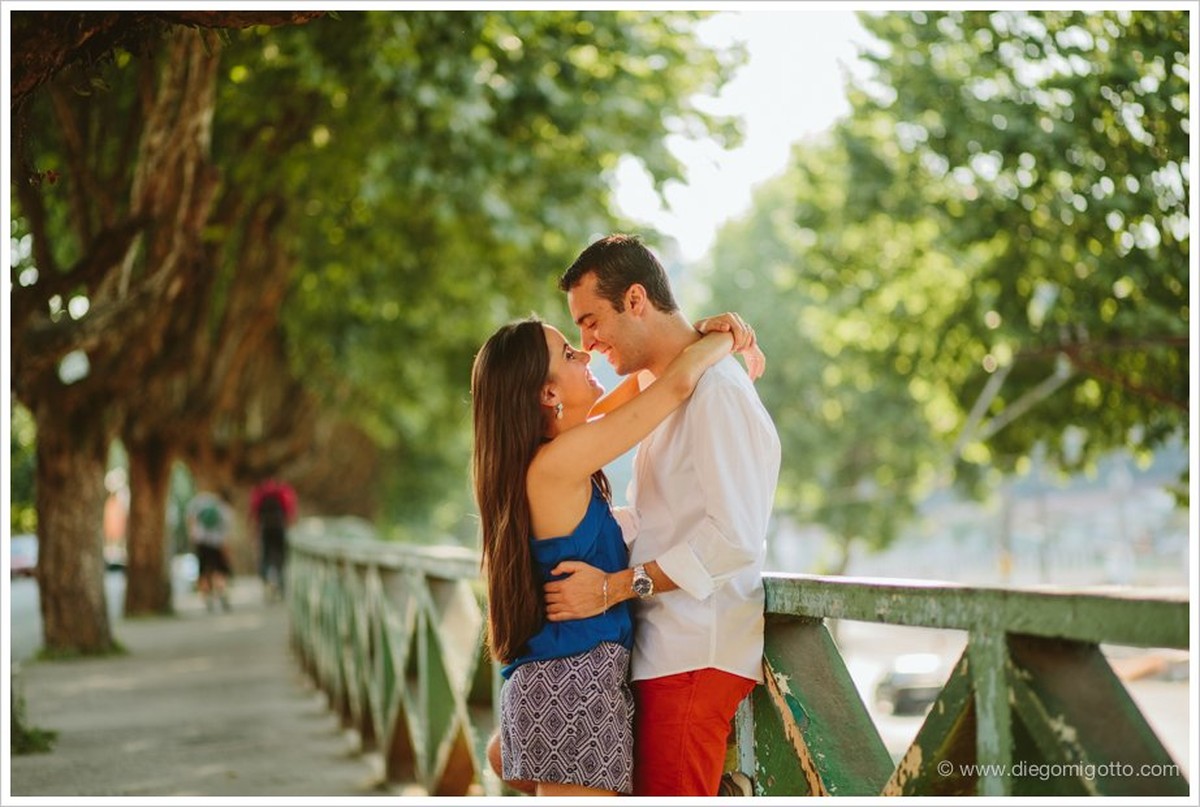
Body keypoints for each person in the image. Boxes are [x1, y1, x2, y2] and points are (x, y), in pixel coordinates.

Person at [472, 309, 759, 797]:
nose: (584, 353)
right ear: (548, 395)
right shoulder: (558, 463)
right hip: (574, 692)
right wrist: (727, 339)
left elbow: (648, 387)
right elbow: (671, 390)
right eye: (567, 353)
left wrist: (693, 345)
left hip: (568, 687)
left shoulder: (551, 459)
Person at [543, 234, 781, 796]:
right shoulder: (667, 391)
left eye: (591, 320)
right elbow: (660, 519)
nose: (587, 341)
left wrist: (615, 588)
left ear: (634, 300)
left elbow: (733, 538)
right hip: (661, 652)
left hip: (695, 655)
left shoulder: (717, 391)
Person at [186, 490, 235, 612]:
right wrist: (227, 553)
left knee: (203, 571)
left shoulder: (203, 502)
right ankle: (222, 593)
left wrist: (193, 534)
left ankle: (206, 597)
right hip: (217, 543)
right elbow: (225, 536)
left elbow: (190, 516)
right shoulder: (226, 511)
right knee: (219, 571)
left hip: (201, 541)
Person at [250, 478, 297, 601]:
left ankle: (268, 580)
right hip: (279, 528)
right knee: (280, 555)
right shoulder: (282, 492)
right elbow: (289, 511)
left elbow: (254, 513)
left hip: (265, 528)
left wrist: (254, 531)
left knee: (266, 555)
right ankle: (280, 582)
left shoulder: (260, 493)